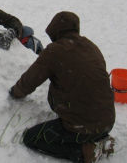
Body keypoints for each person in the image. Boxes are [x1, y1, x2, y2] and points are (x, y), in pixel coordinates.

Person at [9, 11, 115, 163]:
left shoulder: (54, 51)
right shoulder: (90, 46)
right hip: (107, 120)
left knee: (31, 138)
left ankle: (86, 152)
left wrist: (14, 93)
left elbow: (30, 81)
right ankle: (100, 138)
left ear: (55, 30)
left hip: (82, 126)